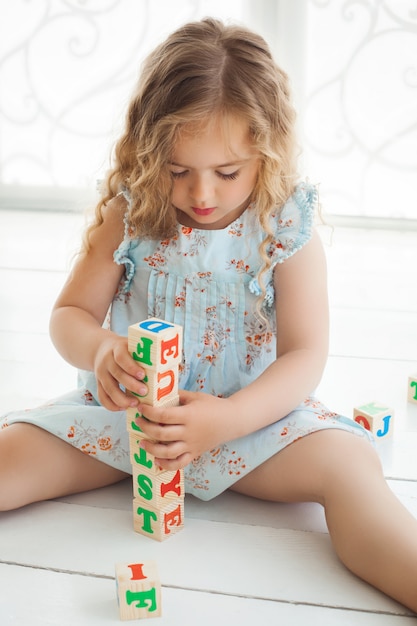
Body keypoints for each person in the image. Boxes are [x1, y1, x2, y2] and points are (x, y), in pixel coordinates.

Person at [1, 17, 416, 612]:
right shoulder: (132, 212)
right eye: (177, 170)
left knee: (350, 466)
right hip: (128, 426)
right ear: (149, 155)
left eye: (227, 173)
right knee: (10, 454)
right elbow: (69, 314)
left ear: (266, 153)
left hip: (252, 430)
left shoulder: (284, 226)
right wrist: (98, 351)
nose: (202, 195)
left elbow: (306, 355)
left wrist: (229, 418)